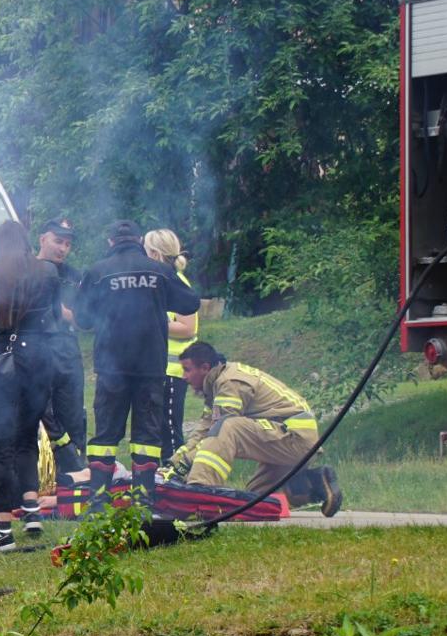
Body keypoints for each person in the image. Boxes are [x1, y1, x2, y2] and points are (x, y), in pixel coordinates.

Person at [77, 220, 200, 508]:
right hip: (149, 368)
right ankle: (144, 503)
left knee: (105, 436)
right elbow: (190, 303)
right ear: (140, 240)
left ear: (110, 242)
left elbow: (82, 319)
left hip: (111, 368)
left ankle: (97, 505)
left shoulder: (97, 272)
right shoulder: (159, 270)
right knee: (147, 435)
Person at [0, 221, 62, 553]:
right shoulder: (49, 272)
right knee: (27, 437)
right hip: (40, 363)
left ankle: (2, 529)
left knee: (1, 447)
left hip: (5, 364)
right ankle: (32, 511)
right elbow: (56, 319)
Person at [172, 342, 343, 516]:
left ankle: (201, 492)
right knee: (253, 502)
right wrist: (174, 462)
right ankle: (315, 483)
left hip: (294, 438)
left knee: (229, 426)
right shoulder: (218, 385)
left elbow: (220, 431)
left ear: (204, 368)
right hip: (286, 440)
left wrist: (186, 466)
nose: (184, 376)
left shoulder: (229, 382)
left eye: (187, 369)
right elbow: (203, 431)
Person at [35, 217, 88, 487]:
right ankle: (37, 472)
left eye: (67, 244)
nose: (63, 248)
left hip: (66, 353)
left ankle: (76, 472)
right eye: (58, 241)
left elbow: (86, 320)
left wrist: (68, 315)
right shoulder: (26, 270)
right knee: (36, 413)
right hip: (33, 351)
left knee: (71, 413)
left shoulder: (75, 276)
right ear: (43, 239)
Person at [144, 229, 197, 457]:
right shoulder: (155, 281)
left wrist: (150, 321)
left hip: (174, 370)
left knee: (170, 427)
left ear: (154, 254)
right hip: (156, 367)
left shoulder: (177, 283)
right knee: (155, 425)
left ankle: (175, 471)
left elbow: (188, 328)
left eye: (145, 250)